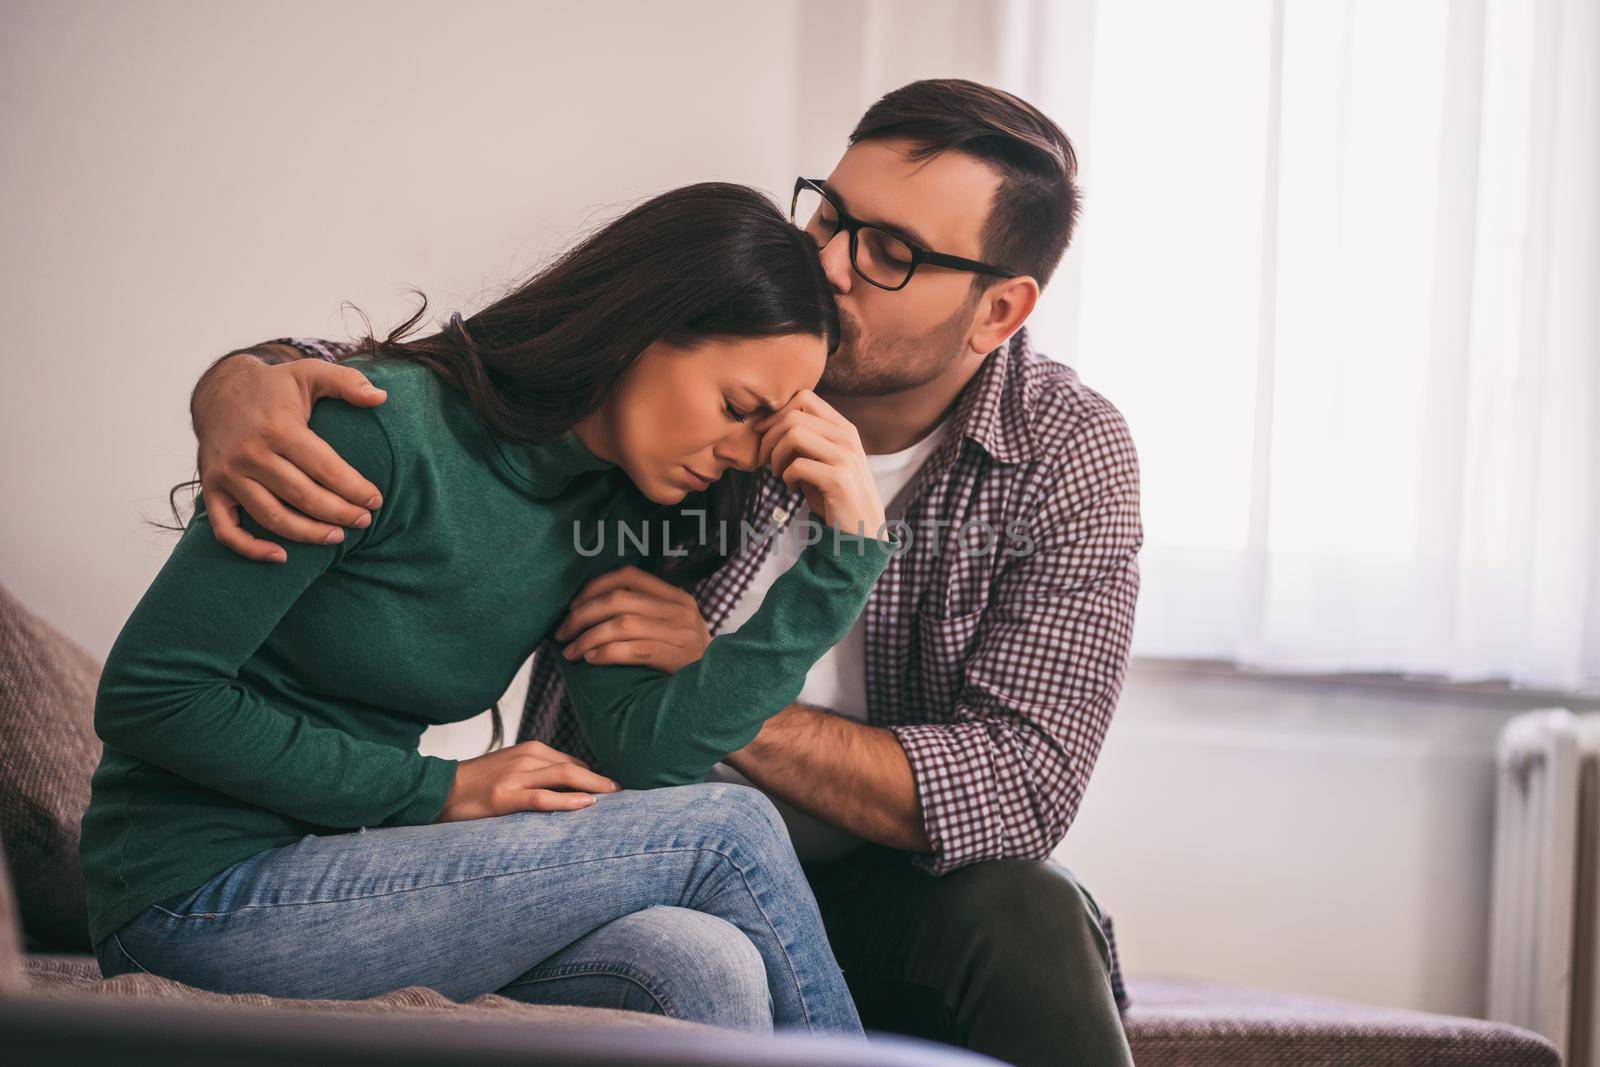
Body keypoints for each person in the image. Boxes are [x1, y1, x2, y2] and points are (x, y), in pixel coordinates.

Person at [188, 79, 1144, 1067]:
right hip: (620, 854)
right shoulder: (721, 353)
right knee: (699, 928)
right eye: (830, 213)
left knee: (1030, 907)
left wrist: (720, 673)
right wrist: (244, 380)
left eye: (889, 253)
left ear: (998, 310)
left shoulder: (1064, 451)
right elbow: (478, 378)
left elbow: (1020, 787)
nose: (827, 263)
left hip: (884, 892)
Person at [80, 181, 903, 1035]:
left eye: (764, 431)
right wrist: (438, 788)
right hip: (193, 899)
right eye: (737, 409)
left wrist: (843, 561)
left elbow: (649, 750)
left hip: (344, 869)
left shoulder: (610, 509)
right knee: (728, 829)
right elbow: (152, 695)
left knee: (703, 957)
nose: (740, 456)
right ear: (639, 330)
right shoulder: (380, 431)